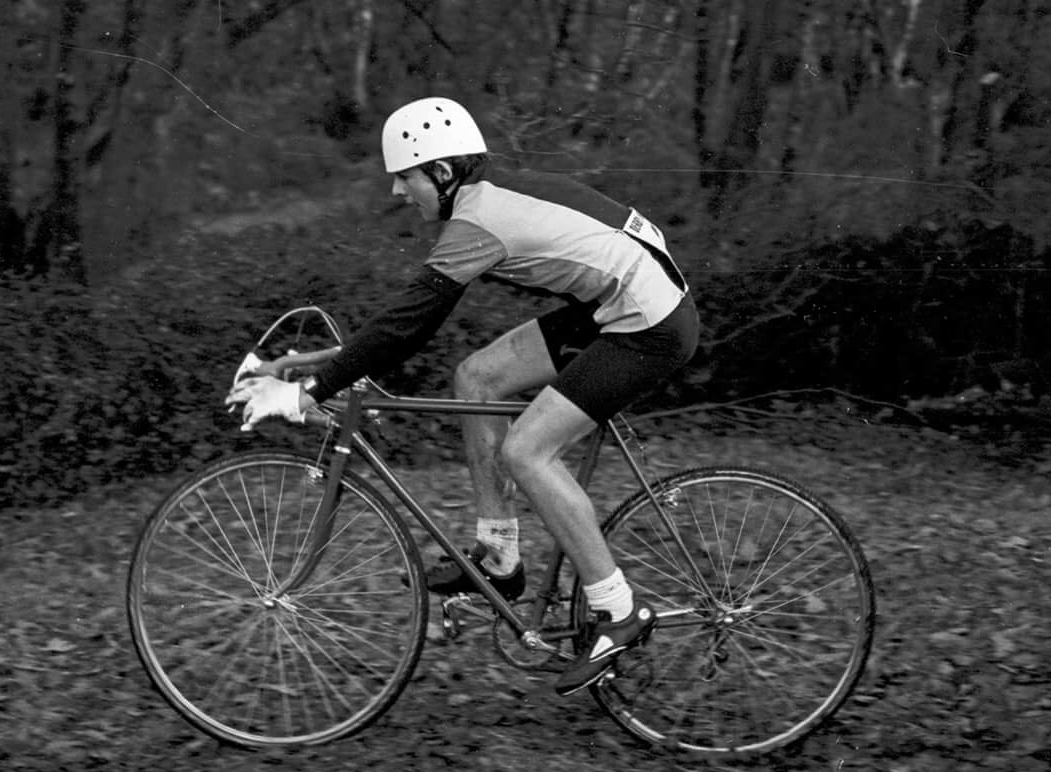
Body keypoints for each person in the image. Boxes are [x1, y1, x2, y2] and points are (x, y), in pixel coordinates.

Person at [225, 96, 699, 696]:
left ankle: (618, 611)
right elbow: (403, 319)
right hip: (616, 304)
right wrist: (301, 367)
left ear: (442, 174)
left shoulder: (480, 218)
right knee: (476, 377)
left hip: (647, 324)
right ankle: (500, 560)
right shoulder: (482, 200)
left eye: (406, 177)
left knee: (527, 451)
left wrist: (309, 393)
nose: (399, 192)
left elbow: (409, 324)